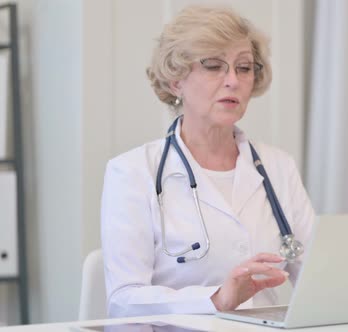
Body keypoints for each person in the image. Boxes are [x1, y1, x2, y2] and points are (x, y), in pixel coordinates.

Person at [100, 5, 314, 318]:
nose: (233, 81)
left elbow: (315, 278)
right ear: (176, 81)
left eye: (244, 68)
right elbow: (124, 300)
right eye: (214, 66)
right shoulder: (132, 172)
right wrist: (215, 299)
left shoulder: (278, 166)